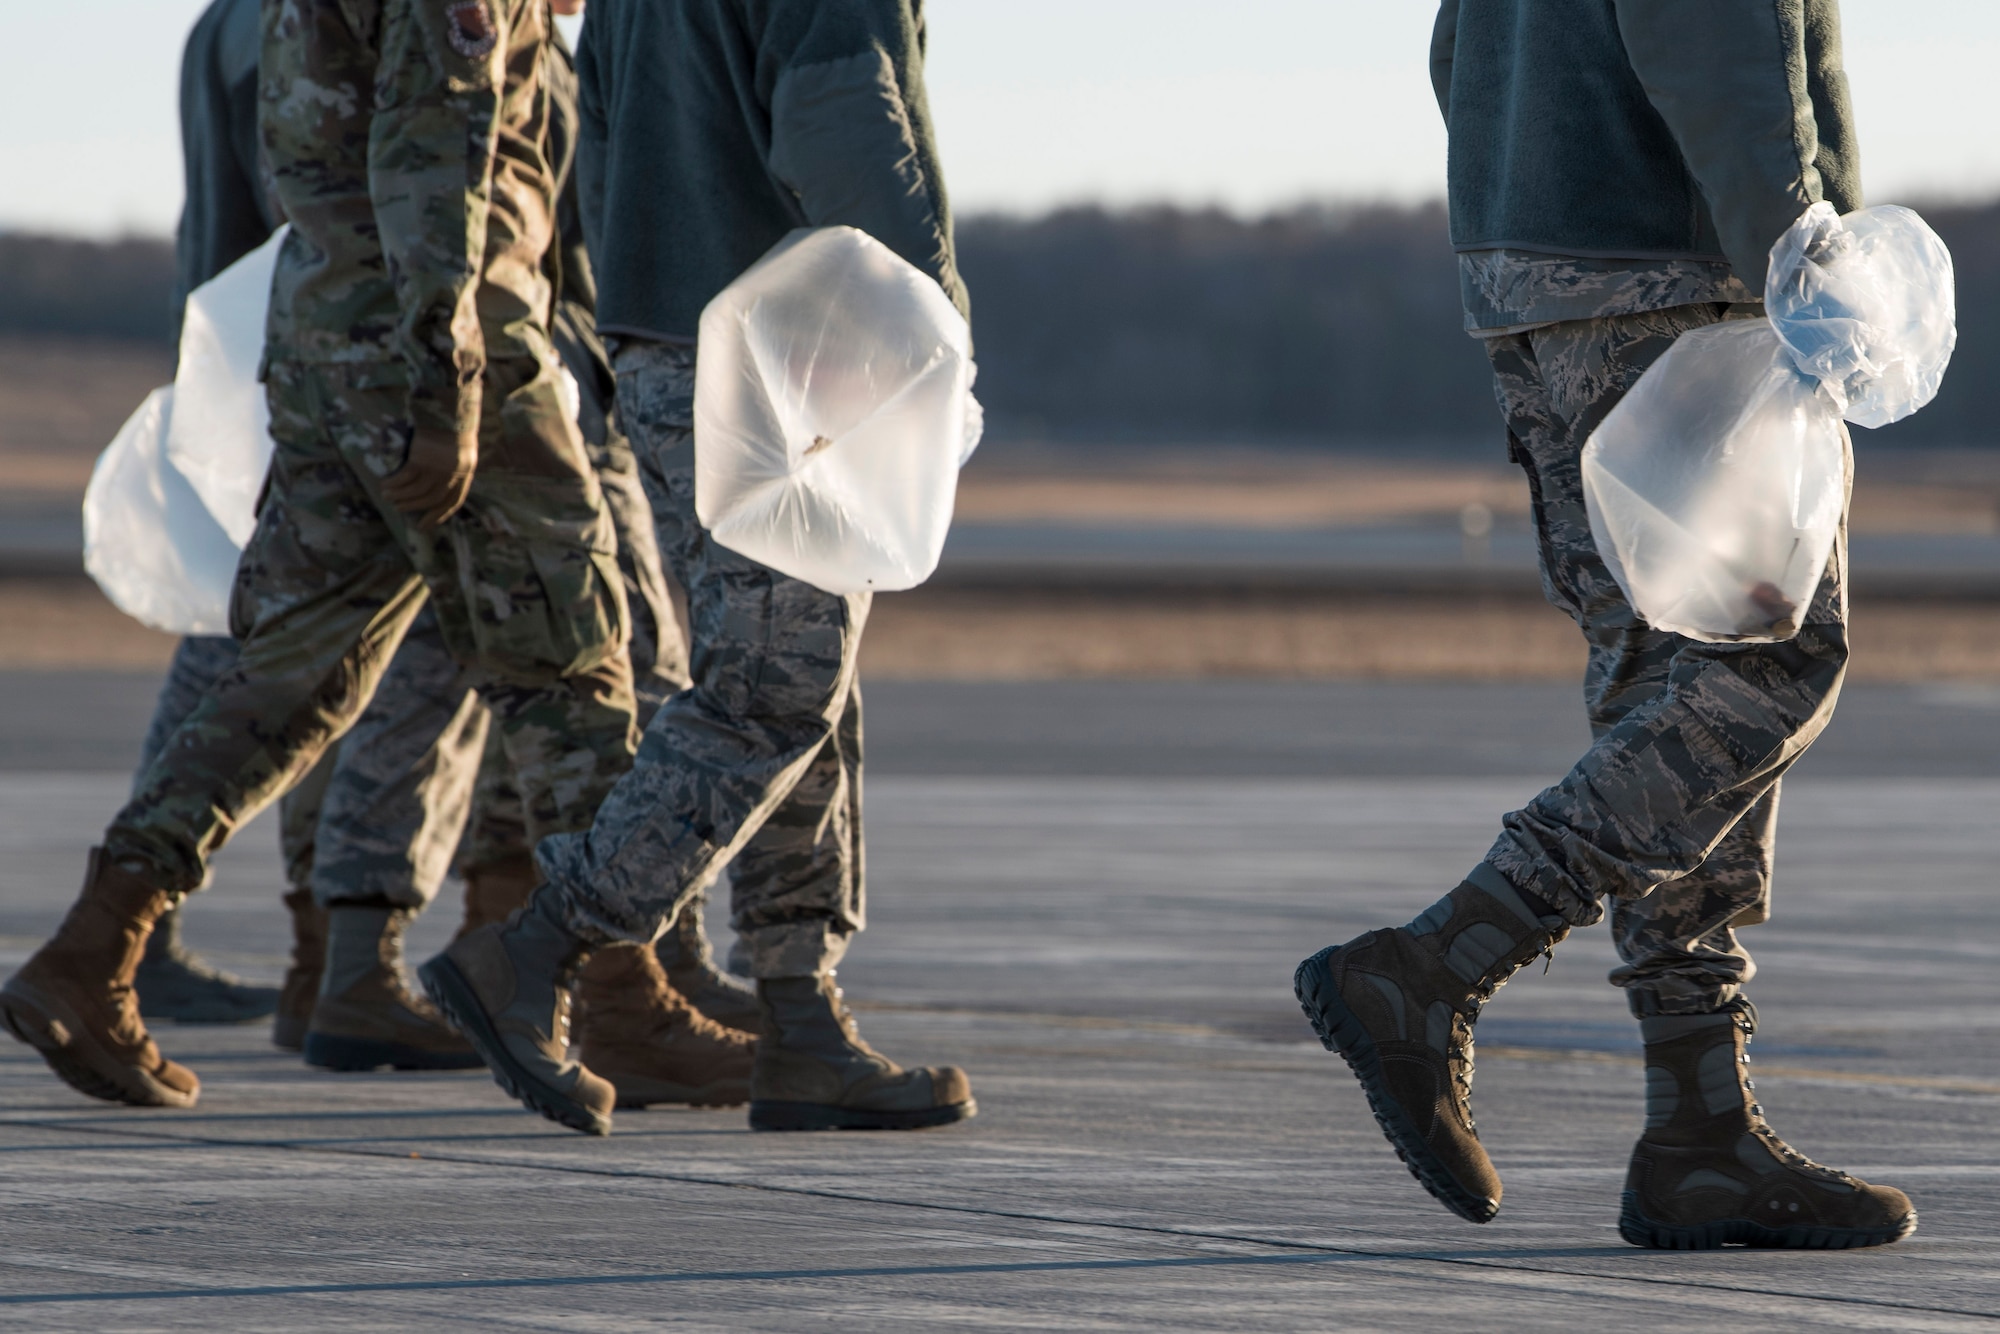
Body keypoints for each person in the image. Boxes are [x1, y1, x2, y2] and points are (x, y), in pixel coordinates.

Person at [1294, 0, 1916, 1251]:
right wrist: (1790, 253)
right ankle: (1432, 964)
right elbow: (1716, 34)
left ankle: (1698, 1130)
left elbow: (1455, 53)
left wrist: (1521, 220)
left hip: (1541, 272)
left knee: (1659, 692)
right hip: (1675, 273)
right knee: (1763, 665)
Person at [0, 0, 636, 1111]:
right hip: (447, 344)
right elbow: (434, 151)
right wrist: (449, 381)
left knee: (293, 674)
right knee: (573, 658)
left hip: (324, 335)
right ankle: (618, 987)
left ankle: (93, 949)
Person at [421, 0, 976, 1137]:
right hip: (781, 344)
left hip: (668, 341)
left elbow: (598, 135)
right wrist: (934, 329)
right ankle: (539, 945)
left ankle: (799, 1016)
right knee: (772, 687)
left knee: (800, 672)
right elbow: (848, 133)